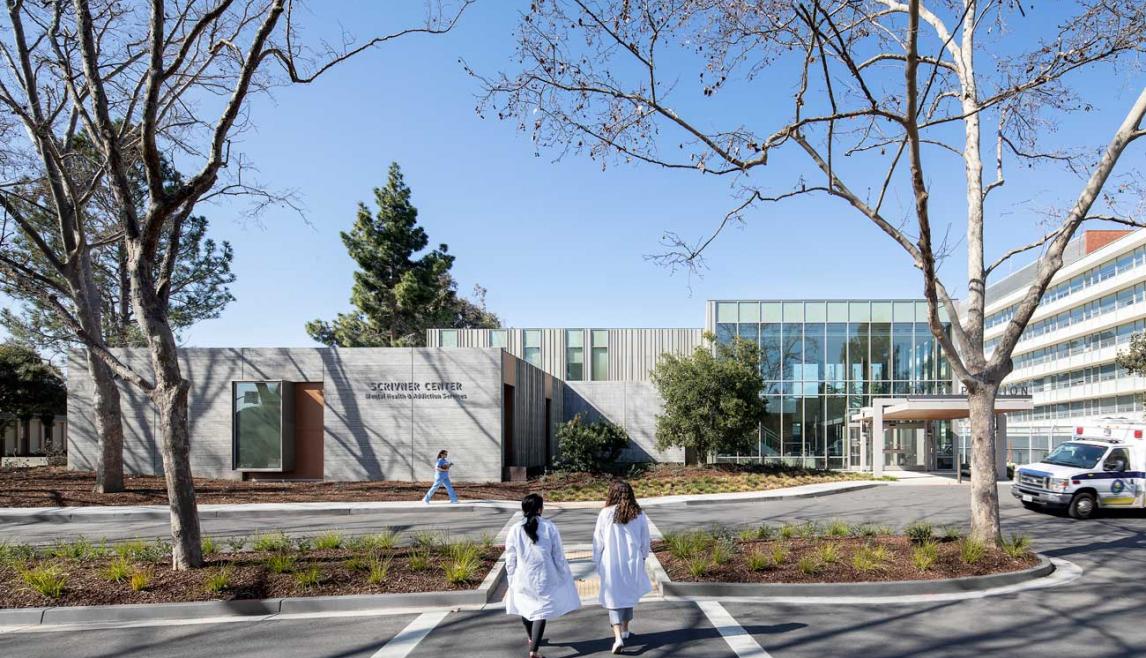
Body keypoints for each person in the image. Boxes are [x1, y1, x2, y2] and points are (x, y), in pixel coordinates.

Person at [505, 493, 580, 658]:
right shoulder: (549, 526)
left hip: (523, 574)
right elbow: (558, 554)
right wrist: (564, 573)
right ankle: (534, 651)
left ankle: (532, 638)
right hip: (545, 575)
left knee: (525, 606)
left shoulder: (515, 529)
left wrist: (511, 576)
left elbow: (510, 557)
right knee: (540, 610)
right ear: (540, 508)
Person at [592, 480, 652, 654]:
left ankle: (617, 636)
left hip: (611, 562)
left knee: (614, 599)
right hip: (632, 561)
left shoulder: (605, 513)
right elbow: (645, 539)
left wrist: (597, 561)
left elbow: (598, 541)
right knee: (627, 595)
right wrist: (643, 557)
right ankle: (625, 629)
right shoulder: (638, 514)